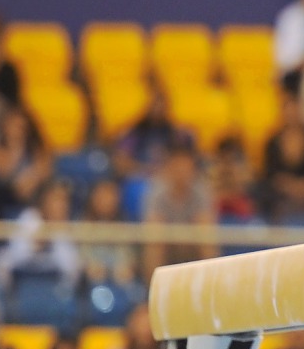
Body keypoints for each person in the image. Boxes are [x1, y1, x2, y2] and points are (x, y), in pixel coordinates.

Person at [0, 179, 80, 291]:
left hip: (51, 270)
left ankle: (64, 300)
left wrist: (52, 236)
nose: (61, 206)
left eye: (64, 201)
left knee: (77, 265)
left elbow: (69, 262)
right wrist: (35, 243)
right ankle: (6, 298)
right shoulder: (29, 217)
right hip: (28, 266)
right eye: (56, 200)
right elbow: (17, 253)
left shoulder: (64, 225)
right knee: (1, 257)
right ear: (44, 201)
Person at [141, 144, 216, 276]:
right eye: (178, 167)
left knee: (206, 239)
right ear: (169, 168)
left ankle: (210, 281)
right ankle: (153, 286)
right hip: (167, 248)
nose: (182, 172)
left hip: (192, 249)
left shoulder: (201, 193)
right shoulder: (156, 193)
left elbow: (205, 229)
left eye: (186, 167)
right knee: (154, 243)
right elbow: (154, 228)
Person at [260, 95, 304, 223]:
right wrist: (290, 187)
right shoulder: (273, 142)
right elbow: (270, 172)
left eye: (296, 111)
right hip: (280, 191)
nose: (293, 116)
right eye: (289, 111)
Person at [111, 86, 194, 179]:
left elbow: (186, 160)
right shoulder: (136, 132)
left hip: (167, 179)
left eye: (161, 106)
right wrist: (145, 169)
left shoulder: (175, 134)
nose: (158, 110)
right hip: (139, 177)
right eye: (154, 105)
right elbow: (121, 160)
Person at [0, 107, 52, 213]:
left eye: (19, 127)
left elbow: (43, 172)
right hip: (3, 203)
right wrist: (15, 149)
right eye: (11, 126)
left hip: (34, 204)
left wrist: (29, 181)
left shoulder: (38, 151)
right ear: (4, 127)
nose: (15, 131)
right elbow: (2, 172)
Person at [81, 179, 138, 286]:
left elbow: (129, 258)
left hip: (121, 279)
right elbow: (82, 256)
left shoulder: (124, 227)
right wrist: (90, 267)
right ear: (93, 198)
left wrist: (124, 268)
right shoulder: (82, 227)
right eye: (102, 196)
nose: (107, 200)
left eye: (110, 195)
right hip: (90, 280)